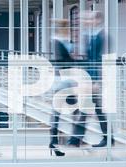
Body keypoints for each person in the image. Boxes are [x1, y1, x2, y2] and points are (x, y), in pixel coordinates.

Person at [71, 11, 113, 148]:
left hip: (94, 79)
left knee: (88, 108)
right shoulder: (92, 35)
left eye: (90, 19)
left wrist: (96, 81)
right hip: (89, 78)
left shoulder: (102, 36)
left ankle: (76, 139)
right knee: (94, 109)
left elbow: (99, 60)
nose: (87, 22)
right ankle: (107, 138)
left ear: (97, 20)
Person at [48, 19, 75, 156]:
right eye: (67, 28)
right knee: (73, 109)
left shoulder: (63, 41)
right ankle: (72, 139)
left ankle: (56, 142)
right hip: (63, 81)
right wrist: (73, 58)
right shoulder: (57, 42)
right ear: (62, 29)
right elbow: (63, 60)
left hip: (66, 80)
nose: (68, 30)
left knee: (59, 112)